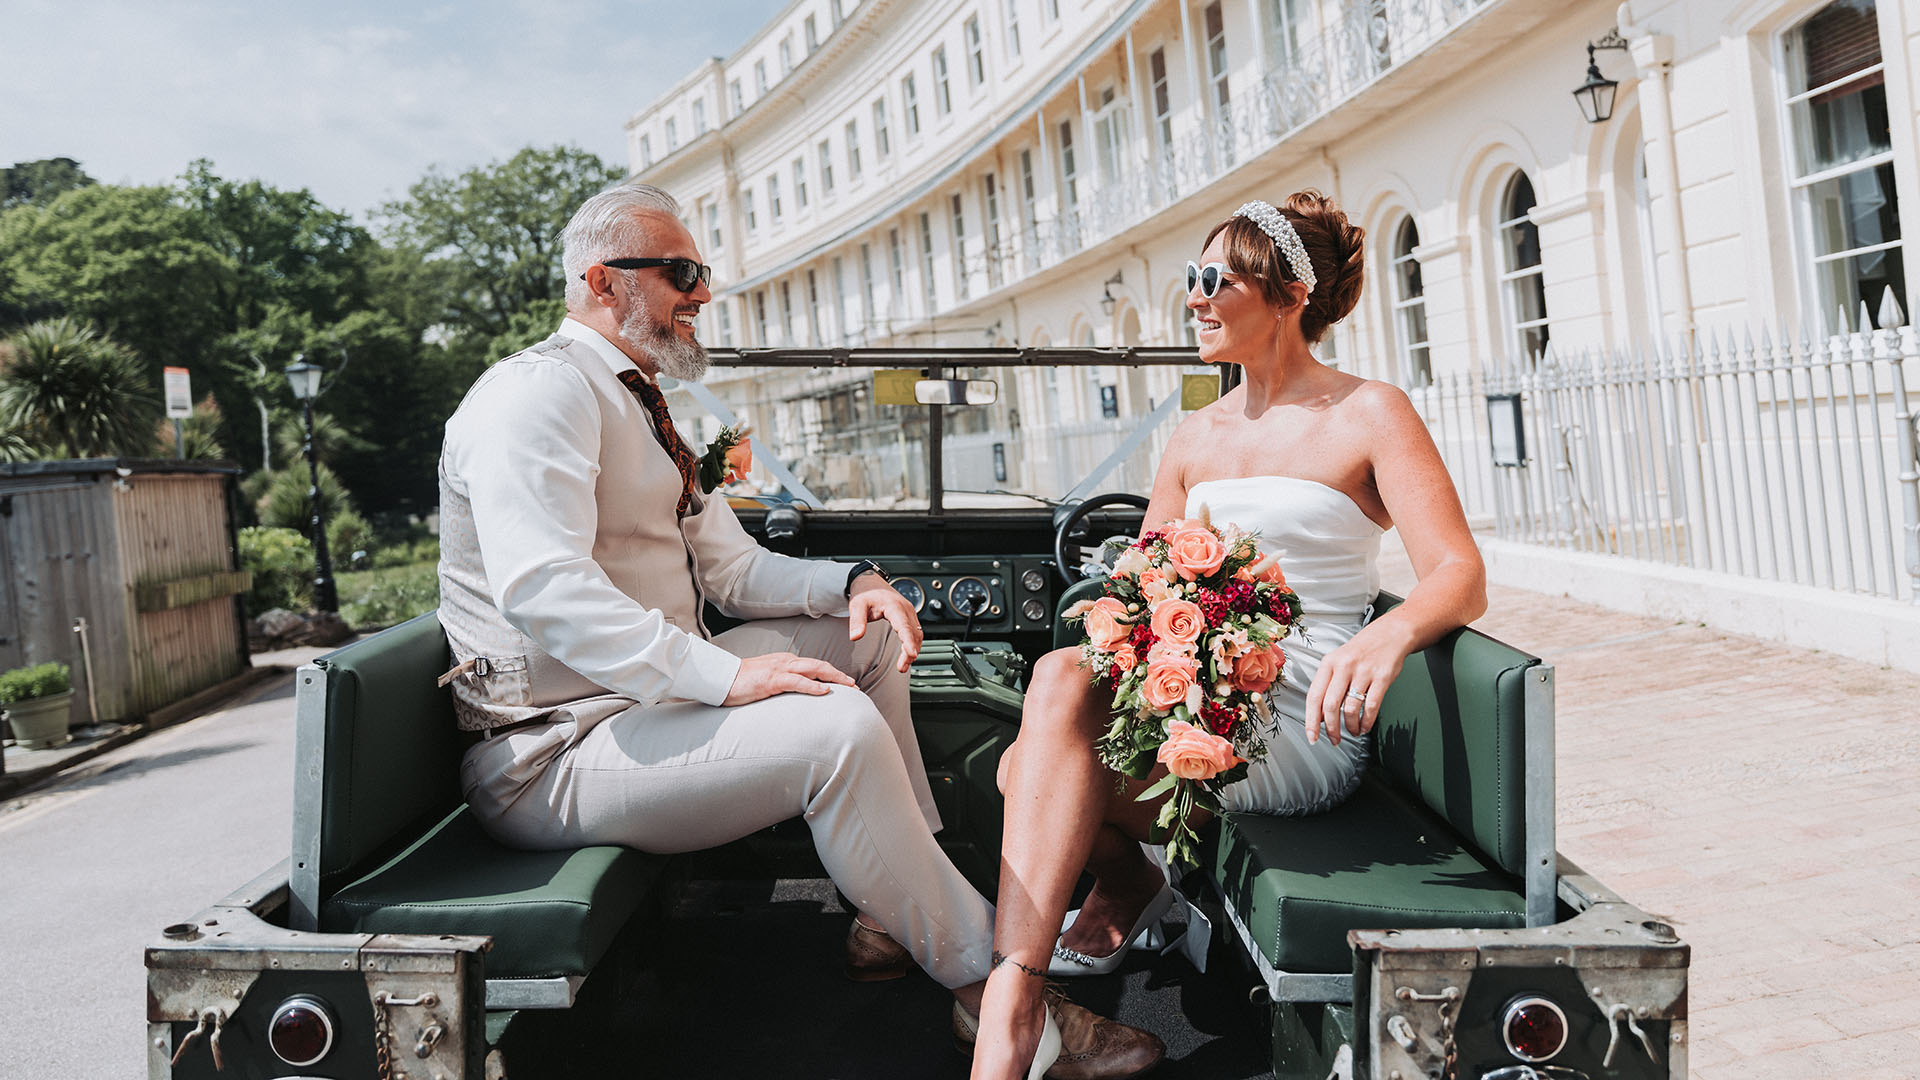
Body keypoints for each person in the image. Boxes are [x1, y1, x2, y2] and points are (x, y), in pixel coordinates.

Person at [439, 183, 1160, 1078]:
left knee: (871, 642)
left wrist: (853, 581)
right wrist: (724, 680)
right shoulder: (536, 395)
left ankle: (884, 915)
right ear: (600, 280)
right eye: (680, 273)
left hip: (638, 704)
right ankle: (995, 1000)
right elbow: (541, 588)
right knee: (832, 728)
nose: (701, 293)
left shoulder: (637, 401)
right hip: (552, 749)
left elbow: (735, 571)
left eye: (701, 273)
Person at [968, 191, 1489, 1079]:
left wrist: (1388, 632)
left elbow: (1459, 574)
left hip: (1301, 723)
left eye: (1216, 279)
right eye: (1191, 279)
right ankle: (1033, 979)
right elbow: (1134, 591)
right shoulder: (1195, 435)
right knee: (1036, 744)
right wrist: (1151, 643)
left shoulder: (1369, 413)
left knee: (1043, 752)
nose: (1195, 298)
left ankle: (1012, 1010)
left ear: (1288, 295)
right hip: (1195, 710)